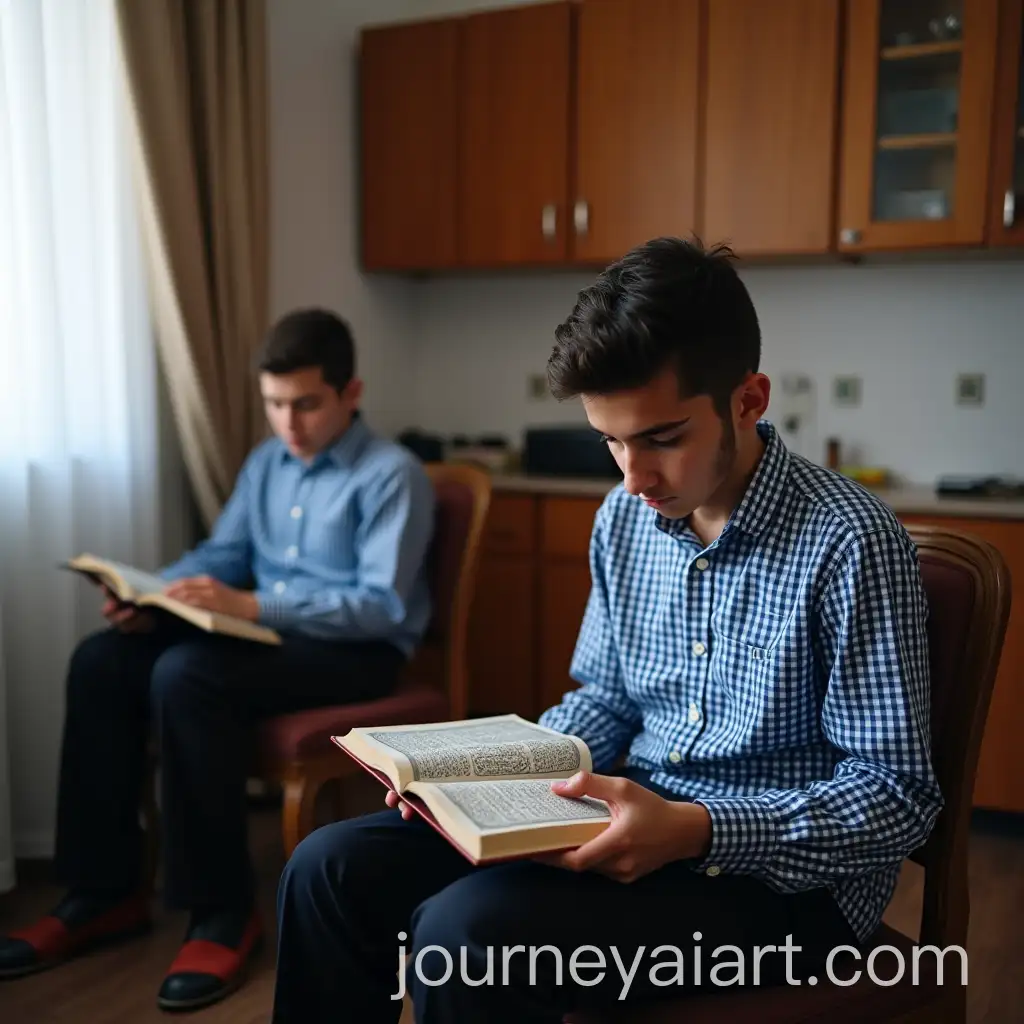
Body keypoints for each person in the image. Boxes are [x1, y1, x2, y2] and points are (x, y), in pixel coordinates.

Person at [268, 239, 944, 1024]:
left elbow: (896, 798)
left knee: (466, 936)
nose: (632, 477)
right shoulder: (625, 518)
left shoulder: (850, 540)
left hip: (788, 895)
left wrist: (696, 830)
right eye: (610, 441)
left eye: (660, 438)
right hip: (631, 816)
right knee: (327, 867)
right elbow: (610, 700)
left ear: (749, 400)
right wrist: (489, 779)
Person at [0, 309, 436, 1012]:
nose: (287, 423)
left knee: (187, 675)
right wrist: (158, 593)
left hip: (355, 654)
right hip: (266, 641)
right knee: (104, 659)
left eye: (306, 404)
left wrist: (255, 607)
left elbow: (380, 605)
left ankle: (223, 911)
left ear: (350, 393)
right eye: (273, 404)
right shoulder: (266, 464)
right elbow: (225, 555)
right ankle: (103, 892)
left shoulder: (393, 474)